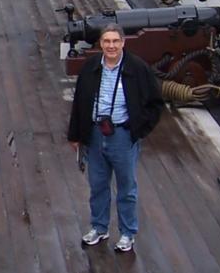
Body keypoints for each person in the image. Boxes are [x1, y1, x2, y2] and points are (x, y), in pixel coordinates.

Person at [67, 23, 163, 253]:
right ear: (101, 44)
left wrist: (138, 129)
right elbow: (79, 101)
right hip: (95, 134)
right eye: (106, 41)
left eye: (115, 41)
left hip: (122, 135)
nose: (111, 46)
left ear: (123, 43)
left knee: (126, 188)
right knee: (98, 185)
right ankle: (99, 227)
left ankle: (128, 233)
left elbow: (155, 103)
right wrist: (75, 135)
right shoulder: (91, 67)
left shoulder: (137, 68)